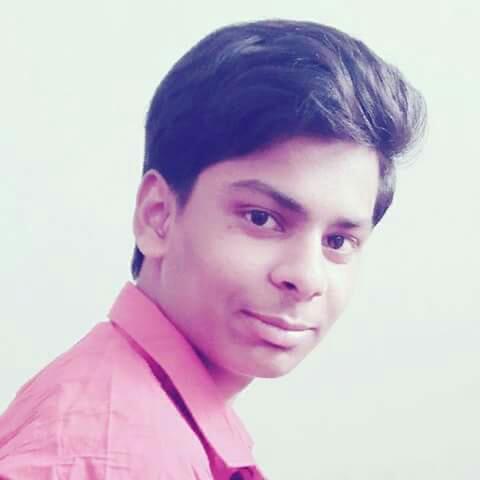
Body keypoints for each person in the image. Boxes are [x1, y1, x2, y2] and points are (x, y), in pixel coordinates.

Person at [0, 19, 426, 479]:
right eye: (261, 218)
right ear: (158, 216)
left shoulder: (150, 421)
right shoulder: (117, 454)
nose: (306, 278)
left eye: (338, 242)